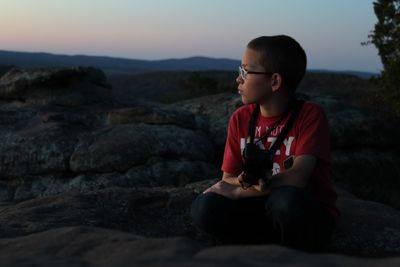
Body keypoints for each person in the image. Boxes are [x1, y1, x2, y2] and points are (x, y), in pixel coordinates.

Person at [190, 35, 339, 252]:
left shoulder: (309, 115)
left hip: (299, 212)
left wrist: (240, 191)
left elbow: (298, 178)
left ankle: (296, 255)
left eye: (245, 72)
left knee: (285, 200)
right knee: (205, 206)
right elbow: (228, 179)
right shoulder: (241, 118)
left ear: (275, 81)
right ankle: (248, 252)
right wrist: (242, 182)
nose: (238, 80)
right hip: (259, 211)